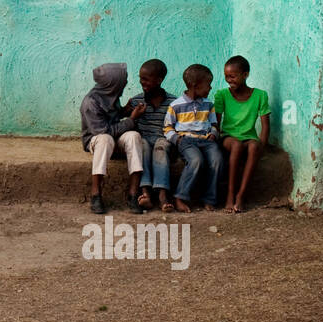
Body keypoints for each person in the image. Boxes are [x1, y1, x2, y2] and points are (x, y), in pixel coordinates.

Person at [79, 62, 145, 214]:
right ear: (113, 83)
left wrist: (124, 111)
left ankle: (133, 193)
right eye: (123, 80)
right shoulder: (91, 102)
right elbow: (103, 130)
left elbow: (111, 119)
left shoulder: (111, 95)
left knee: (134, 136)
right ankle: (96, 194)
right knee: (104, 139)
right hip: (97, 140)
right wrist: (131, 120)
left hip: (114, 137)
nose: (126, 83)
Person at [214, 55, 271, 213]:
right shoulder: (222, 95)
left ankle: (241, 195)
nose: (229, 80)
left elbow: (265, 126)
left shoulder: (260, 95)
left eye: (232, 76)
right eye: (226, 77)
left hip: (249, 137)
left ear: (245, 75)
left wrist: (262, 146)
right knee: (237, 145)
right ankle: (230, 195)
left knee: (253, 146)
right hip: (228, 138)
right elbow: (216, 123)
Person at [162, 64, 222, 212]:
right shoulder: (176, 105)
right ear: (195, 86)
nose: (210, 88)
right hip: (186, 141)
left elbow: (215, 123)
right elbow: (167, 127)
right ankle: (180, 197)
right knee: (196, 161)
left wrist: (213, 134)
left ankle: (209, 198)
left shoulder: (209, 104)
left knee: (217, 160)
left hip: (206, 140)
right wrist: (178, 140)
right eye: (208, 85)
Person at [125, 59, 178, 212]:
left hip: (164, 139)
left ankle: (162, 195)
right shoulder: (136, 101)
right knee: (143, 146)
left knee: (160, 147)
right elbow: (126, 120)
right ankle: (145, 192)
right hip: (144, 139)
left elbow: (175, 128)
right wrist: (131, 114)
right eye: (141, 78)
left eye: (147, 79)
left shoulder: (173, 103)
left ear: (159, 80)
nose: (143, 82)